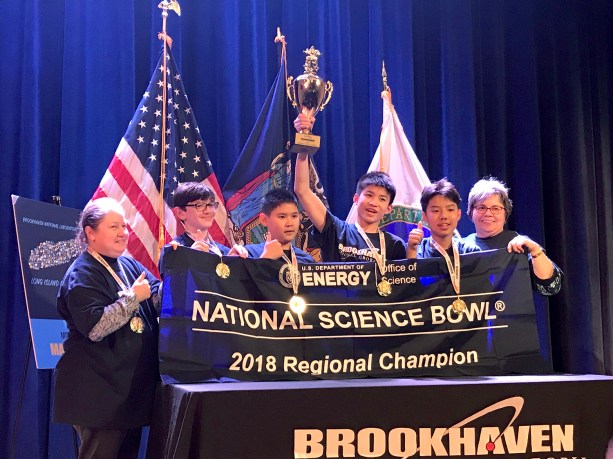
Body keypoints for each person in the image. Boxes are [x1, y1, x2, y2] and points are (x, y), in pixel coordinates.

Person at [53, 197, 161, 458]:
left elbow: (158, 294)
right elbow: (96, 327)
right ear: (90, 233)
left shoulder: (129, 264)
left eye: (124, 226)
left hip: (129, 392)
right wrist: (134, 298)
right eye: (114, 227)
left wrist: (186, 271)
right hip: (99, 394)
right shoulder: (82, 273)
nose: (123, 233)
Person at [293, 114, 406, 263]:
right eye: (369, 195)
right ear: (356, 199)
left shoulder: (395, 245)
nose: (374, 203)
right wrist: (304, 139)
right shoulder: (337, 231)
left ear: (388, 208)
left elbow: (404, 283)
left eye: (382, 199)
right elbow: (302, 190)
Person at [463, 177, 563, 295]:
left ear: (505, 214)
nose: (488, 213)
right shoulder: (460, 246)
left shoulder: (519, 244)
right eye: (481, 208)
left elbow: (551, 287)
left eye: (495, 208)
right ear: (471, 212)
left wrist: (535, 250)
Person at [406, 178, 481, 258]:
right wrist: (412, 251)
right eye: (436, 210)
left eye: (450, 209)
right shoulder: (415, 250)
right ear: (424, 216)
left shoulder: (471, 252)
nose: (444, 216)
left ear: (458, 214)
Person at [168, 181, 247, 257]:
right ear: (180, 213)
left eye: (211, 205)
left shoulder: (226, 253)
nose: (208, 211)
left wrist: (232, 264)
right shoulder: (174, 252)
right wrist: (191, 260)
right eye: (199, 205)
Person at [244, 188, 314, 263]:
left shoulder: (306, 260)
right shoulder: (249, 254)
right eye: (282, 217)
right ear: (264, 220)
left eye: (294, 216)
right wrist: (266, 258)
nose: (290, 224)